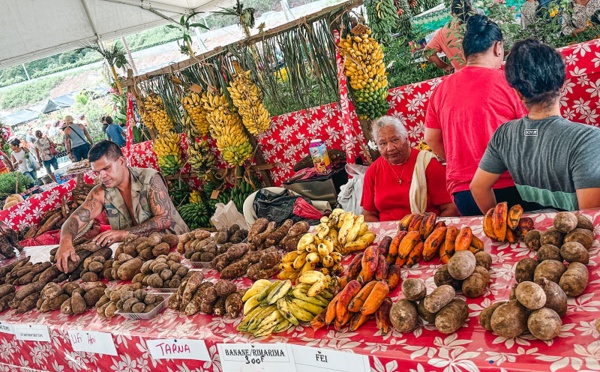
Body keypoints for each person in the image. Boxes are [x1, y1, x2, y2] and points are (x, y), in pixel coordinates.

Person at [424, 15, 536, 216]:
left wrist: (459, 158)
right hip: (510, 185)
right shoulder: (509, 83)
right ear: (497, 47)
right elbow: (531, 132)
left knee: (484, 246)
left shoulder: (441, 90)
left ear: (465, 52)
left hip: (464, 191)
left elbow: (430, 138)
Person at [471, 39, 600, 212]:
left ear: (517, 93)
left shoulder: (504, 134)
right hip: (574, 236)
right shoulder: (588, 140)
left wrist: (499, 224)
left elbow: (478, 188)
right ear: (562, 84)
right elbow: (591, 216)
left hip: (532, 234)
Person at [55, 141, 189, 272]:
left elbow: (163, 219)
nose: (102, 176)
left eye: (106, 169)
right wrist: (65, 241)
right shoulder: (100, 192)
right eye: (97, 172)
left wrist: (124, 234)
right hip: (142, 256)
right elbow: (74, 220)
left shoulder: (150, 178)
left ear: (121, 162)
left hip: (178, 247)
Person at [361, 116, 458, 222]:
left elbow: (450, 208)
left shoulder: (427, 164)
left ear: (406, 139)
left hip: (424, 231)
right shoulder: (373, 171)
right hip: (387, 235)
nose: (390, 148)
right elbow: (369, 215)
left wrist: (430, 231)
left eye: (395, 140)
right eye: (383, 143)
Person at [425, 0, 475, 72]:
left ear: (452, 12)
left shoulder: (444, 32)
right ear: (471, 7)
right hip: (487, 74)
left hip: (461, 77)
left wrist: (446, 67)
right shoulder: (481, 24)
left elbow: (427, 53)